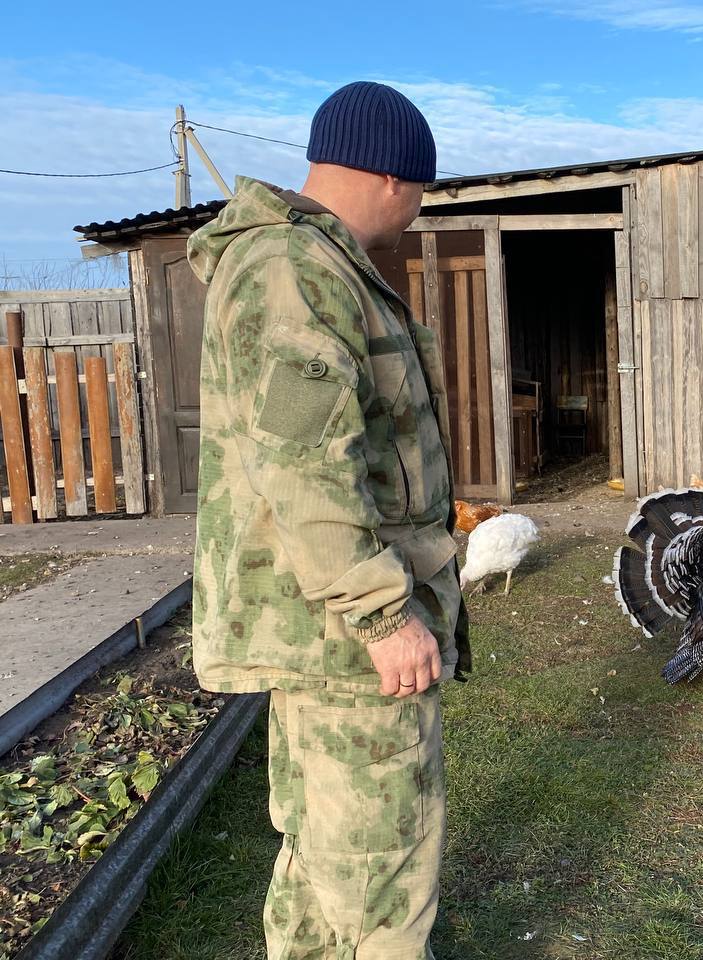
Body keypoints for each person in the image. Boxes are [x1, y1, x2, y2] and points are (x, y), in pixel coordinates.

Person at [187, 80, 467, 960]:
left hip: (323, 629)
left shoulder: (306, 266)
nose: (417, 215)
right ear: (394, 177)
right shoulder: (294, 271)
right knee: (384, 865)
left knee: (324, 860)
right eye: (422, 195)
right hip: (346, 638)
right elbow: (306, 464)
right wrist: (385, 613)